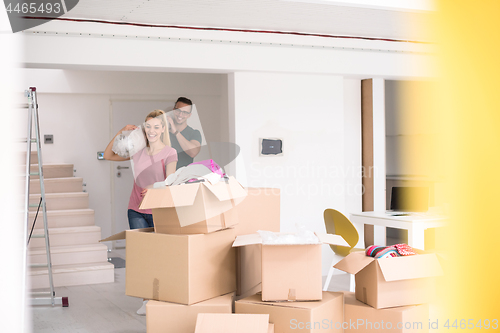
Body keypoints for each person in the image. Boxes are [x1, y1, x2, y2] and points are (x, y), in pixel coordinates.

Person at [103, 110, 177, 230]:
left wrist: (155, 187)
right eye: (148, 126)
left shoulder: (169, 152)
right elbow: (108, 155)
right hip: (135, 210)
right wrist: (120, 132)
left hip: (158, 210)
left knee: (158, 248)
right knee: (140, 248)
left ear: (163, 129)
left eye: (156, 127)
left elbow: (171, 181)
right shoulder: (137, 151)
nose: (151, 131)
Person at [167, 97, 202, 169]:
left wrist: (176, 132)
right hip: (164, 177)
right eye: (178, 111)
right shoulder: (164, 131)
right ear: (173, 110)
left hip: (183, 178)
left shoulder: (194, 133)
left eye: (185, 112)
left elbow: (193, 153)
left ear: (189, 115)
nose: (180, 115)